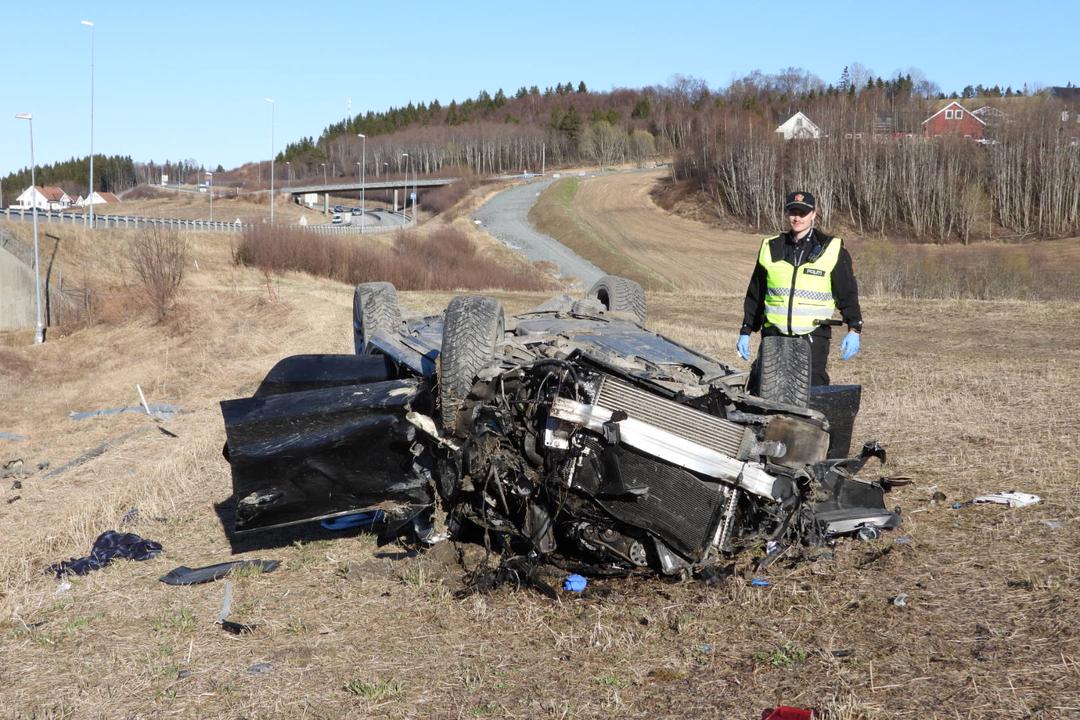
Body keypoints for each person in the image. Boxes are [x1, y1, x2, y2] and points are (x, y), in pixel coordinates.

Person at [736, 190, 862, 386]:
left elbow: (847, 292)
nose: (797, 218)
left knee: (811, 393)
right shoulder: (771, 247)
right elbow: (757, 292)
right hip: (774, 334)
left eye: (803, 213)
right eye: (793, 212)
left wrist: (854, 328)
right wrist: (746, 329)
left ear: (813, 214)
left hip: (813, 336)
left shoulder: (830, 248)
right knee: (765, 388)